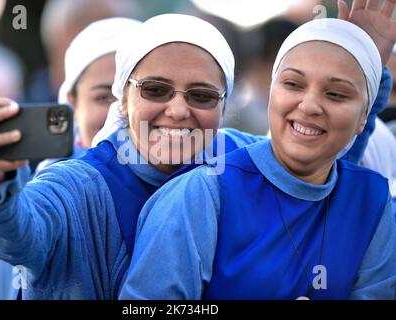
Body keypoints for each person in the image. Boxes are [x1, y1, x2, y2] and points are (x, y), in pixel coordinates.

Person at [0, 13, 263, 300]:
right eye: (155, 90)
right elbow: (20, 235)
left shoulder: (241, 163)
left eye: (202, 95)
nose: (178, 111)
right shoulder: (78, 184)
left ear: (223, 108)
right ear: (123, 102)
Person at [119, 2, 396, 300]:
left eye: (336, 94)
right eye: (293, 84)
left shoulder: (374, 201)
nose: (310, 105)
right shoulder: (204, 193)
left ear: (364, 117)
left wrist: (367, 59)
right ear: (270, 90)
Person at [0, 17, 142, 300]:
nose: (121, 113)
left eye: (138, 94)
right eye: (105, 96)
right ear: (70, 103)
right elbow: (17, 235)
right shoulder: (48, 190)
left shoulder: (190, 181)